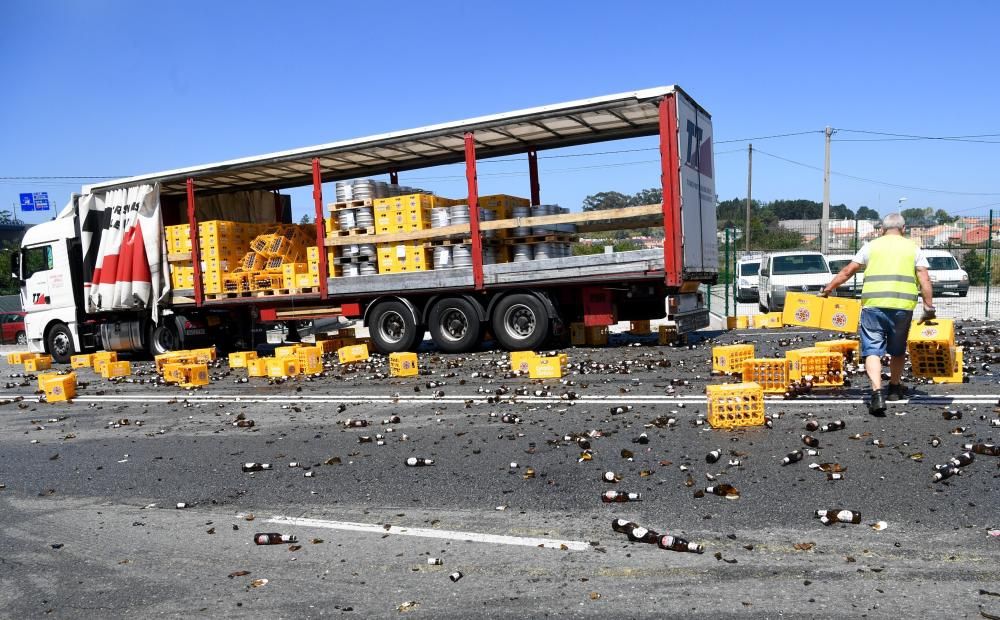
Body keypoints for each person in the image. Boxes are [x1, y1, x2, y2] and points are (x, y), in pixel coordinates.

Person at [820, 213, 935, 416]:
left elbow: (848, 271)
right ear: (904, 229)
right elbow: (924, 278)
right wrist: (928, 306)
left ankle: (876, 394)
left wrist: (829, 288)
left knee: (872, 349)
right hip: (902, 307)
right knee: (898, 349)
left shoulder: (871, 246)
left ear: (882, 229)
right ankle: (894, 388)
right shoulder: (913, 248)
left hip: (873, 306)